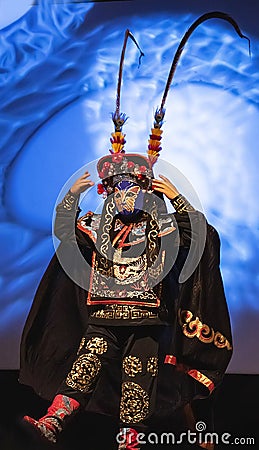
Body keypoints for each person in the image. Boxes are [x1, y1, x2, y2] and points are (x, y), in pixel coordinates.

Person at [19, 14, 249, 448]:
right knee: (87, 360)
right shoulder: (100, 225)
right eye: (119, 186)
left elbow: (194, 231)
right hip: (104, 312)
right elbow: (68, 237)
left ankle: (131, 438)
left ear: (146, 190)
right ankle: (55, 421)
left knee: (139, 371)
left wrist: (176, 198)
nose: (126, 193)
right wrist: (72, 199)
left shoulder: (159, 222)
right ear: (109, 191)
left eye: (134, 186)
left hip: (149, 314)